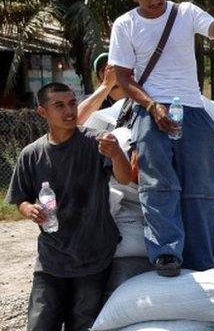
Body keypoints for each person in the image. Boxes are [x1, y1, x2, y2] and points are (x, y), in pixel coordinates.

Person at [108, 0, 214, 277]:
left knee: (200, 187)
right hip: (148, 108)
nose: (155, 1)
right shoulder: (125, 25)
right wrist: (153, 105)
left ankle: (200, 260)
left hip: (192, 109)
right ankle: (167, 254)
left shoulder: (184, 13)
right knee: (158, 185)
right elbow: (124, 79)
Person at [6, 82, 131, 330]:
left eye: (73, 103)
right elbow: (20, 198)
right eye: (59, 105)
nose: (70, 111)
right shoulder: (32, 154)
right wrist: (28, 209)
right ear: (43, 112)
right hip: (52, 258)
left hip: (92, 256)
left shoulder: (95, 143)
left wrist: (117, 153)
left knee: (82, 322)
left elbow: (125, 178)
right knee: (41, 322)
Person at [77, 52, 128, 125]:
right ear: (99, 80)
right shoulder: (93, 101)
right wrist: (106, 85)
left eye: (113, 68)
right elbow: (75, 122)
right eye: (104, 70)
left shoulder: (136, 98)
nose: (110, 73)